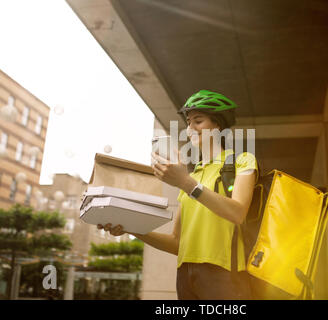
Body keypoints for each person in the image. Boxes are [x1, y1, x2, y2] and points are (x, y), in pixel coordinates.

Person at [98, 90, 258, 299]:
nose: (190, 128)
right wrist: (131, 227)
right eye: (188, 122)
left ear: (218, 125)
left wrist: (186, 183)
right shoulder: (193, 175)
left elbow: (237, 212)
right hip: (185, 275)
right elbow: (176, 242)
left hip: (225, 274)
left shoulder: (242, 161)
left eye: (198, 121)